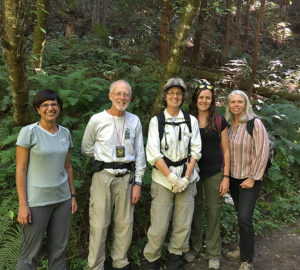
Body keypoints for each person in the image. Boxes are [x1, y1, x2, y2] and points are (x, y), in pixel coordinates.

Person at [81, 80, 146, 270]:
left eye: (126, 94)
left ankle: (120, 262)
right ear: (110, 96)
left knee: (125, 224)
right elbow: (86, 147)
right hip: (103, 177)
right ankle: (95, 266)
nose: (122, 98)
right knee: (99, 225)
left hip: (127, 177)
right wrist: (104, 158)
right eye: (118, 93)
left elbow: (139, 153)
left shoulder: (134, 121)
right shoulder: (97, 120)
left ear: (130, 98)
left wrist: (138, 183)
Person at [143, 78, 202, 270]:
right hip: (162, 179)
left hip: (188, 178)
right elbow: (152, 152)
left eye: (178, 94)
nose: (175, 97)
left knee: (183, 222)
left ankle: (175, 257)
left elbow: (196, 150)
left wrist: (185, 178)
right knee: (159, 224)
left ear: (183, 97)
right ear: (165, 96)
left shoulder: (191, 120)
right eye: (171, 93)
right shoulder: (157, 121)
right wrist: (170, 177)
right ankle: (152, 257)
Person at [16, 89, 78, 270]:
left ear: (59, 107)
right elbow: (20, 169)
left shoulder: (65, 133)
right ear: (37, 109)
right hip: (36, 203)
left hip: (62, 201)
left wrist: (72, 195)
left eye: (54, 104)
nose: (50, 108)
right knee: (29, 254)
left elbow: (67, 167)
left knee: (58, 251)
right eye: (45, 105)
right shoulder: (29, 133)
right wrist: (23, 205)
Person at [184, 83, 230, 269]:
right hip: (192, 173)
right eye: (201, 97)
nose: (204, 101)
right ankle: (194, 248)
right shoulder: (186, 120)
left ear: (212, 100)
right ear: (195, 99)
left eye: (208, 98)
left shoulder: (219, 121)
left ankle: (213, 253)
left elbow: (226, 150)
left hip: (214, 172)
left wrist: (226, 176)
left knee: (213, 211)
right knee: (194, 211)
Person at [225, 90, 269, 270]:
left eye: (239, 102)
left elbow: (263, 152)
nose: (236, 105)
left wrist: (252, 177)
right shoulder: (229, 125)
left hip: (250, 178)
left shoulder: (255, 123)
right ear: (228, 105)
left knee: (244, 218)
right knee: (239, 214)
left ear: (245, 104)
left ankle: (247, 260)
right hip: (233, 178)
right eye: (232, 102)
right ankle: (242, 248)